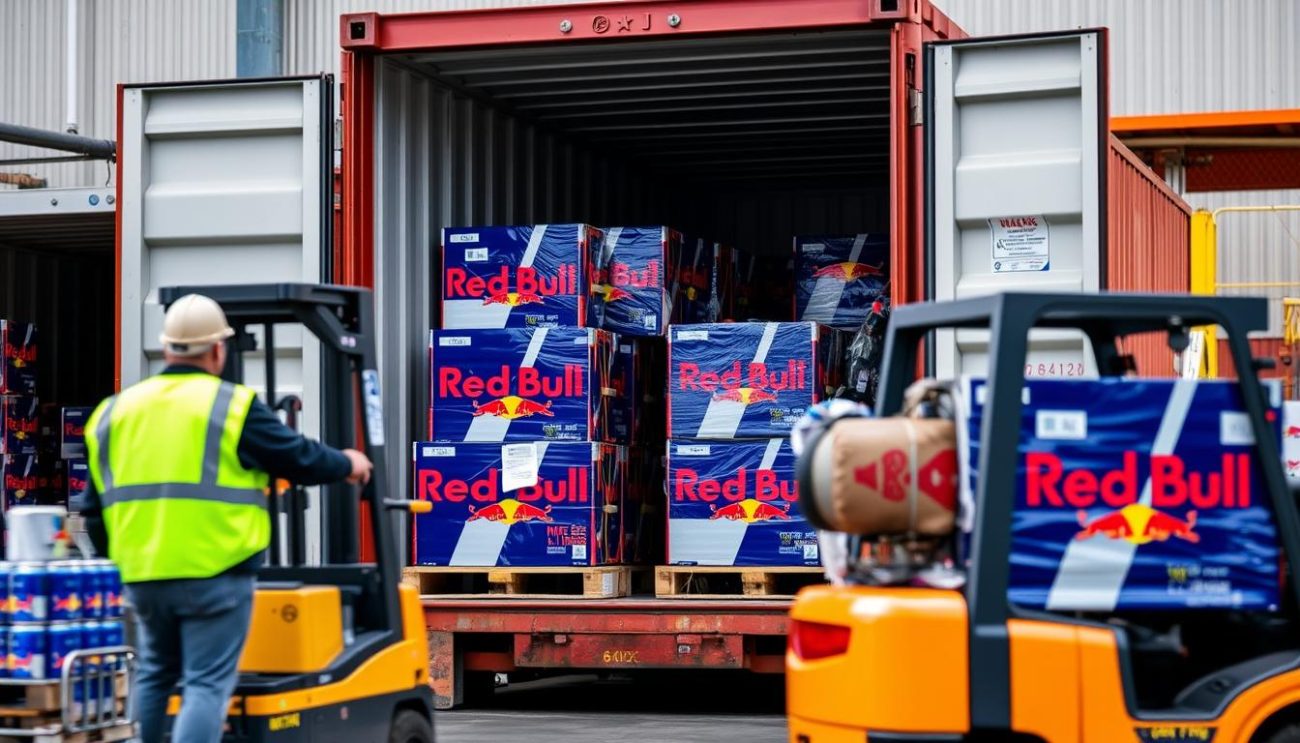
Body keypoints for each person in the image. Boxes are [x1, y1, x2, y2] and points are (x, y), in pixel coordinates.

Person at [73, 294, 373, 743]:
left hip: (143, 576)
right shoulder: (230, 405)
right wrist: (347, 463)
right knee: (206, 683)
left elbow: (93, 512)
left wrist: (122, 562)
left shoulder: (113, 412)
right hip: (215, 572)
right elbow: (297, 457)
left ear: (167, 348)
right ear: (218, 350)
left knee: (154, 674)